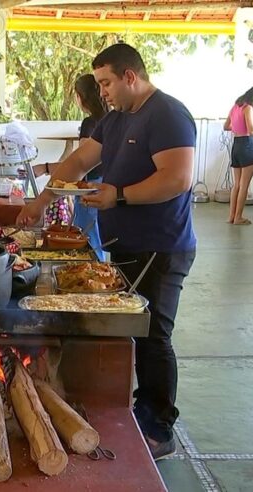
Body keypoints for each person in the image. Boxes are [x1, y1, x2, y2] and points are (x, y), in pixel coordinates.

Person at [17, 43, 197, 461]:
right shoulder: (115, 119)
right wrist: (40, 203)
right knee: (130, 330)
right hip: (124, 245)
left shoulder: (168, 114)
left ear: (130, 76)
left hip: (161, 245)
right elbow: (79, 160)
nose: (103, 93)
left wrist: (120, 197)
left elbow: (178, 178)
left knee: (154, 335)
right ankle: (136, 410)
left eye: (106, 83)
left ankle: (159, 428)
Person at [33, 74, 109, 260]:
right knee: (95, 237)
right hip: (105, 185)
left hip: (89, 187)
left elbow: (82, 162)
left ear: (80, 97)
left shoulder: (90, 123)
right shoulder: (110, 120)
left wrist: (45, 168)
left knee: (86, 240)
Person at [224, 85, 253, 225]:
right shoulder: (248, 108)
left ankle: (231, 216)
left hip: (236, 145)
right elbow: (251, 129)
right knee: (244, 185)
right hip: (247, 144)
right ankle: (238, 217)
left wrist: (237, 127)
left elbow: (226, 126)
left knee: (237, 184)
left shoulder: (236, 106)